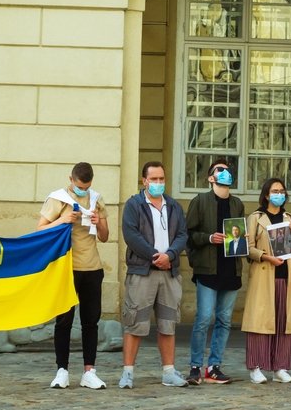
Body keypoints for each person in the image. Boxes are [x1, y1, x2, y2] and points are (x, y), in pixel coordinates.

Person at [37, 162, 110, 389]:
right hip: (66, 268)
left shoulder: (97, 199)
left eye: (86, 187)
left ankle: (89, 371)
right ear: (71, 179)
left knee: (91, 321)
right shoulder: (57, 198)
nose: (82, 190)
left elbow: (106, 237)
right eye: (79, 186)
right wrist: (62, 220)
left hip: (91, 267)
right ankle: (62, 370)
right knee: (64, 321)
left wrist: (99, 224)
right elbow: (40, 228)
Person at [118, 161, 188, 389]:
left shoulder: (174, 206)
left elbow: (182, 234)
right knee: (135, 322)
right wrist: (154, 255)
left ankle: (168, 371)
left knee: (168, 323)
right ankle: (128, 372)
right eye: (154, 179)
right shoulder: (134, 205)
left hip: (169, 272)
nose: (159, 183)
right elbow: (131, 235)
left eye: (161, 179)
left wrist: (170, 255)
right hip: (143, 271)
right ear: (144, 180)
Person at [185, 158, 244, 385]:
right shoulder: (200, 201)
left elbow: (238, 233)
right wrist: (209, 238)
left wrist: (242, 241)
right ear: (211, 178)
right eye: (220, 170)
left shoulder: (237, 203)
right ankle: (195, 366)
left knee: (224, 320)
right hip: (208, 269)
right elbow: (188, 235)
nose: (225, 173)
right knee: (203, 319)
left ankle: (214, 366)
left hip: (231, 269)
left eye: (228, 171)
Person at [242, 178, 291, 384]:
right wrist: (266, 256)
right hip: (264, 274)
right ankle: (256, 367)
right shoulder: (256, 218)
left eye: (282, 191)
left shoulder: (289, 217)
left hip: (285, 275)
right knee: (260, 321)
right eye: (275, 191)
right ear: (266, 195)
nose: (279, 194)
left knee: (283, 322)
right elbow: (247, 248)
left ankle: (280, 367)